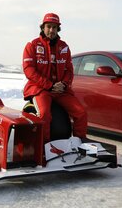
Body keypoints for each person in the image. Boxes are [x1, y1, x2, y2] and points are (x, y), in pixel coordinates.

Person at [22, 13, 88, 143]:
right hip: (40, 89)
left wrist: (63, 84)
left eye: (54, 27)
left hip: (61, 90)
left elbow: (69, 70)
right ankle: (44, 145)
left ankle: (79, 143)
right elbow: (29, 70)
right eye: (48, 26)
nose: (51, 30)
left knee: (81, 112)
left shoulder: (64, 47)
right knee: (44, 114)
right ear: (43, 27)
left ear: (58, 29)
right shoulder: (32, 45)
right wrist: (49, 85)